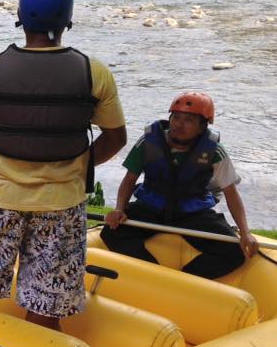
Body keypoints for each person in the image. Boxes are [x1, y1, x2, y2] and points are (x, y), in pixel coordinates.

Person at [0, 0, 127, 332]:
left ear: (20, 16)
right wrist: (80, 163)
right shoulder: (94, 73)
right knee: (48, 298)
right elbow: (115, 138)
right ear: (67, 19)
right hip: (61, 204)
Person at [100, 92, 258, 278]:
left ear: (202, 127)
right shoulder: (147, 143)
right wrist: (120, 209)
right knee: (112, 234)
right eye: (175, 117)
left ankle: (184, 279)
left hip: (193, 211)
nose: (178, 124)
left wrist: (245, 232)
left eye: (188, 120)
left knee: (233, 253)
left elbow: (231, 193)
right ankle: (153, 275)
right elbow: (129, 180)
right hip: (151, 207)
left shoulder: (214, 150)